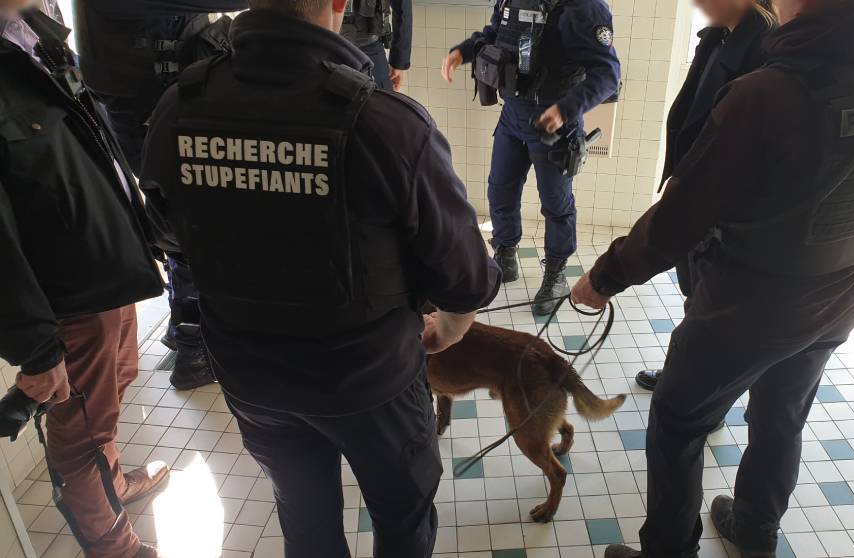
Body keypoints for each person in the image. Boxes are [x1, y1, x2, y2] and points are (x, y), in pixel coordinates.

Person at [139, 0, 501, 555]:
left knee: (304, 519)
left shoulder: (180, 104)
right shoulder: (388, 122)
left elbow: (165, 231)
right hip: (370, 380)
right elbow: (466, 277)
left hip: (252, 376)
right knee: (402, 518)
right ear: (339, 4)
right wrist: (452, 324)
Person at [571, 0, 854, 556]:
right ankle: (755, 533)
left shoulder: (766, 96)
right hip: (837, 303)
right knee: (781, 417)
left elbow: (678, 219)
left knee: (677, 419)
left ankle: (668, 550)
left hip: (746, 313)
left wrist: (604, 277)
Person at [0, 4, 170, 557]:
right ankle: (111, 545)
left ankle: (113, 483)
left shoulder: (32, 33)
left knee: (111, 394)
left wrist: (140, 230)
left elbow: (94, 145)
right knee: (82, 432)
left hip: (104, 268)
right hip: (65, 298)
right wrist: (35, 345)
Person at [74, 0, 248, 391]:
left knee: (183, 220)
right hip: (145, 102)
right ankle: (192, 350)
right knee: (186, 224)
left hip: (157, 92)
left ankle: (185, 329)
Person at [442, 0, 621, 316]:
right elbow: (496, 33)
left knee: (556, 203)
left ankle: (555, 274)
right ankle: (505, 253)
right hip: (513, 114)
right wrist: (464, 51)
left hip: (554, 122)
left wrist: (566, 109)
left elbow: (607, 74)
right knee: (500, 189)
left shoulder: (584, 8)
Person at [634, 0, 775, 392]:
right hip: (697, 192)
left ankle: (696, 392)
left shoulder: (764, 46)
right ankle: (685, 376)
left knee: (707, 305)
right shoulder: (718, 36)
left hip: (721, 204)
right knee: (693, 294)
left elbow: (745, 144)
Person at [341, 0, 410, 91]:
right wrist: (399, 62)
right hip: (368, 48)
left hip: (326, 42)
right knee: (381, 100)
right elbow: (402, 6)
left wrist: (399, 62)